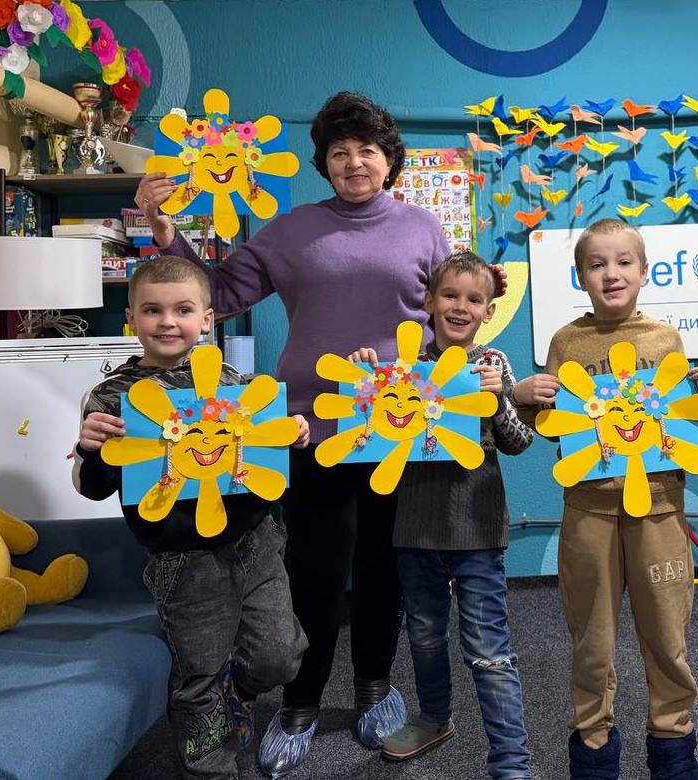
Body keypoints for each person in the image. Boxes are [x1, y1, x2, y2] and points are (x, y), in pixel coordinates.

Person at [133, 91, 502, 776]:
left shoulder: (423, 228)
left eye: (367, 150)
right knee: (315, 572)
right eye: (339, 151)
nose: (354, 162)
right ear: (323, 163)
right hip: (310, 426)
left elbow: (450, 307)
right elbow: (217, 294)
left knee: (387, 568)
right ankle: (300, 703)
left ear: (389, 160)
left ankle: (373, 688)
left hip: (400, 426)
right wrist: (163, 230)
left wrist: (482, 304)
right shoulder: (292, 230)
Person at [72, 256, 309, 778]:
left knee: (279, 656)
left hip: (254, 541)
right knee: (198, 672)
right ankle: (210, 769)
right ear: (130, 318)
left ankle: (236, 691)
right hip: (181, 557)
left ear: (207, 318)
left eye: (182, 310)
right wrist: (90, 449)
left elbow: (265, 457)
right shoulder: (112, 397)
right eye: (152, 310)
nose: (167, 321)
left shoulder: (238, 385)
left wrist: (290, 433)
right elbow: (92, 487)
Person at [512, 218, 698, 780]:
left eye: (623, 262)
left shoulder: (665, 339)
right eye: (597, 264)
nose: (611, 273)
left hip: (659, 508)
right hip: (589, 509)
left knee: (667, 636)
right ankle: (592, 750)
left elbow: (683, 418)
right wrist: (528, 399)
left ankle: (674, 749)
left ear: (644, 271)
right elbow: (555, 427)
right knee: (592, 640)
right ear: (580, 276)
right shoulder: (566, 342)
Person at [345, 251, 533, 779]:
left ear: (489, 311)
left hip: (477, 527)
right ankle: (434, 718)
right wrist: (362, 379)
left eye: (474, 299)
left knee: (489, 649)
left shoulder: (492, 365)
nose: (460, 307)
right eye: (449, 295)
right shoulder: (400, 367)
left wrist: (498, 401)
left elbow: (519, 442)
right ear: (428, 301)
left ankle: (511, 759)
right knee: (425, 637)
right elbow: (367, 439)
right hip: (415, 528)